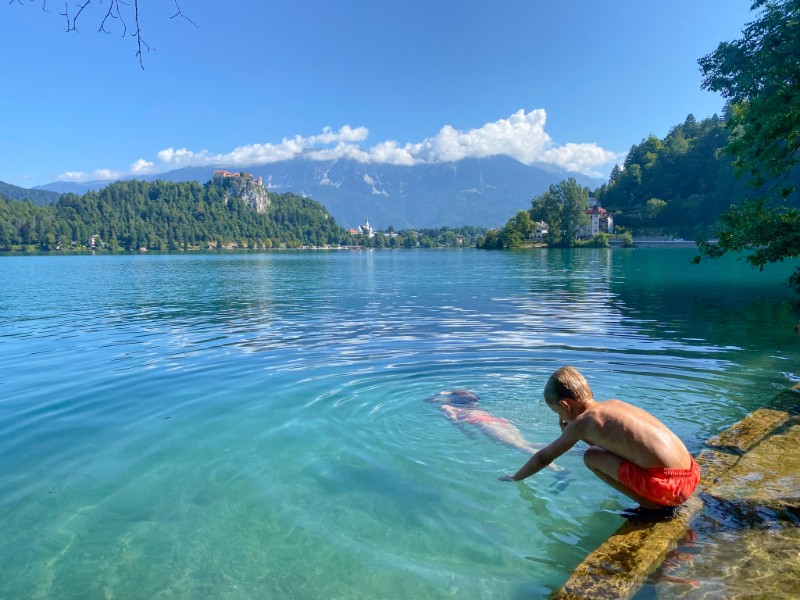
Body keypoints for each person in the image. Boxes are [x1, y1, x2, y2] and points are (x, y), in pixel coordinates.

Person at [501, 366, 700, 520]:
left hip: (669, 488)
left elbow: (544, 457)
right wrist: (573, 432)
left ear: (565, 405)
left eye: (556, 412)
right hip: (690, 474)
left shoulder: (583, 422)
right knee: (597, 453)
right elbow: (617, 447)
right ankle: (654, 501)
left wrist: (516, 477)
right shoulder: (612, 405)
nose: (559, 416)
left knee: (590, 457)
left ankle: (651, 506)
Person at [428, 390, 562, 472]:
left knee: (521, 447)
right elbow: (452, 392)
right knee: (525, 443)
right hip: (499, 421)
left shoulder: (448, 407)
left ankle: (558, 470)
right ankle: (568, 448)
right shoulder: (469, 405)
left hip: (488, 425)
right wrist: (443, 394)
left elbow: (455, 421)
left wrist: (466, 432)